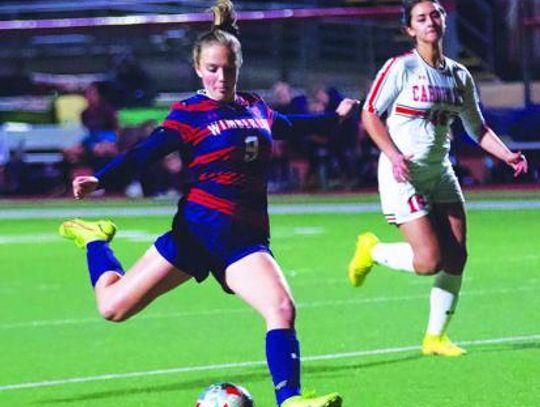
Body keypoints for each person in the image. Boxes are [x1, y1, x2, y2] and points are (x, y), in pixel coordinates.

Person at [59, 1, 358, 406]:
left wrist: (335, 118)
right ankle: (95, 241)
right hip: (196, 235)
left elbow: (290, 127)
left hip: (244, 241)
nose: (221, 77)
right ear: (199, 68)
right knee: (112, 308)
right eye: (213, 69)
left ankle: (290, 400)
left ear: (239, 65)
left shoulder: (255, 107)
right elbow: (146, 152)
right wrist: (102, 179)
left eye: (229, 68)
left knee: (282, 307)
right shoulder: (189, 112)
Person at [348, 0, 527, 357]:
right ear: (410, 30)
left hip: (440, 171)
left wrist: (506, 154)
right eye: (420, 18)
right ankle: (372, 250)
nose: (430, 21)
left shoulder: (459, 75)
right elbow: (370, 114)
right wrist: (394, 155)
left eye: (435, 14)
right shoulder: (401, 68)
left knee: (457, 255)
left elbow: (478, 128)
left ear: (444, 21)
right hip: (404, 173)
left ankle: (435, 338)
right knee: (429, 261)